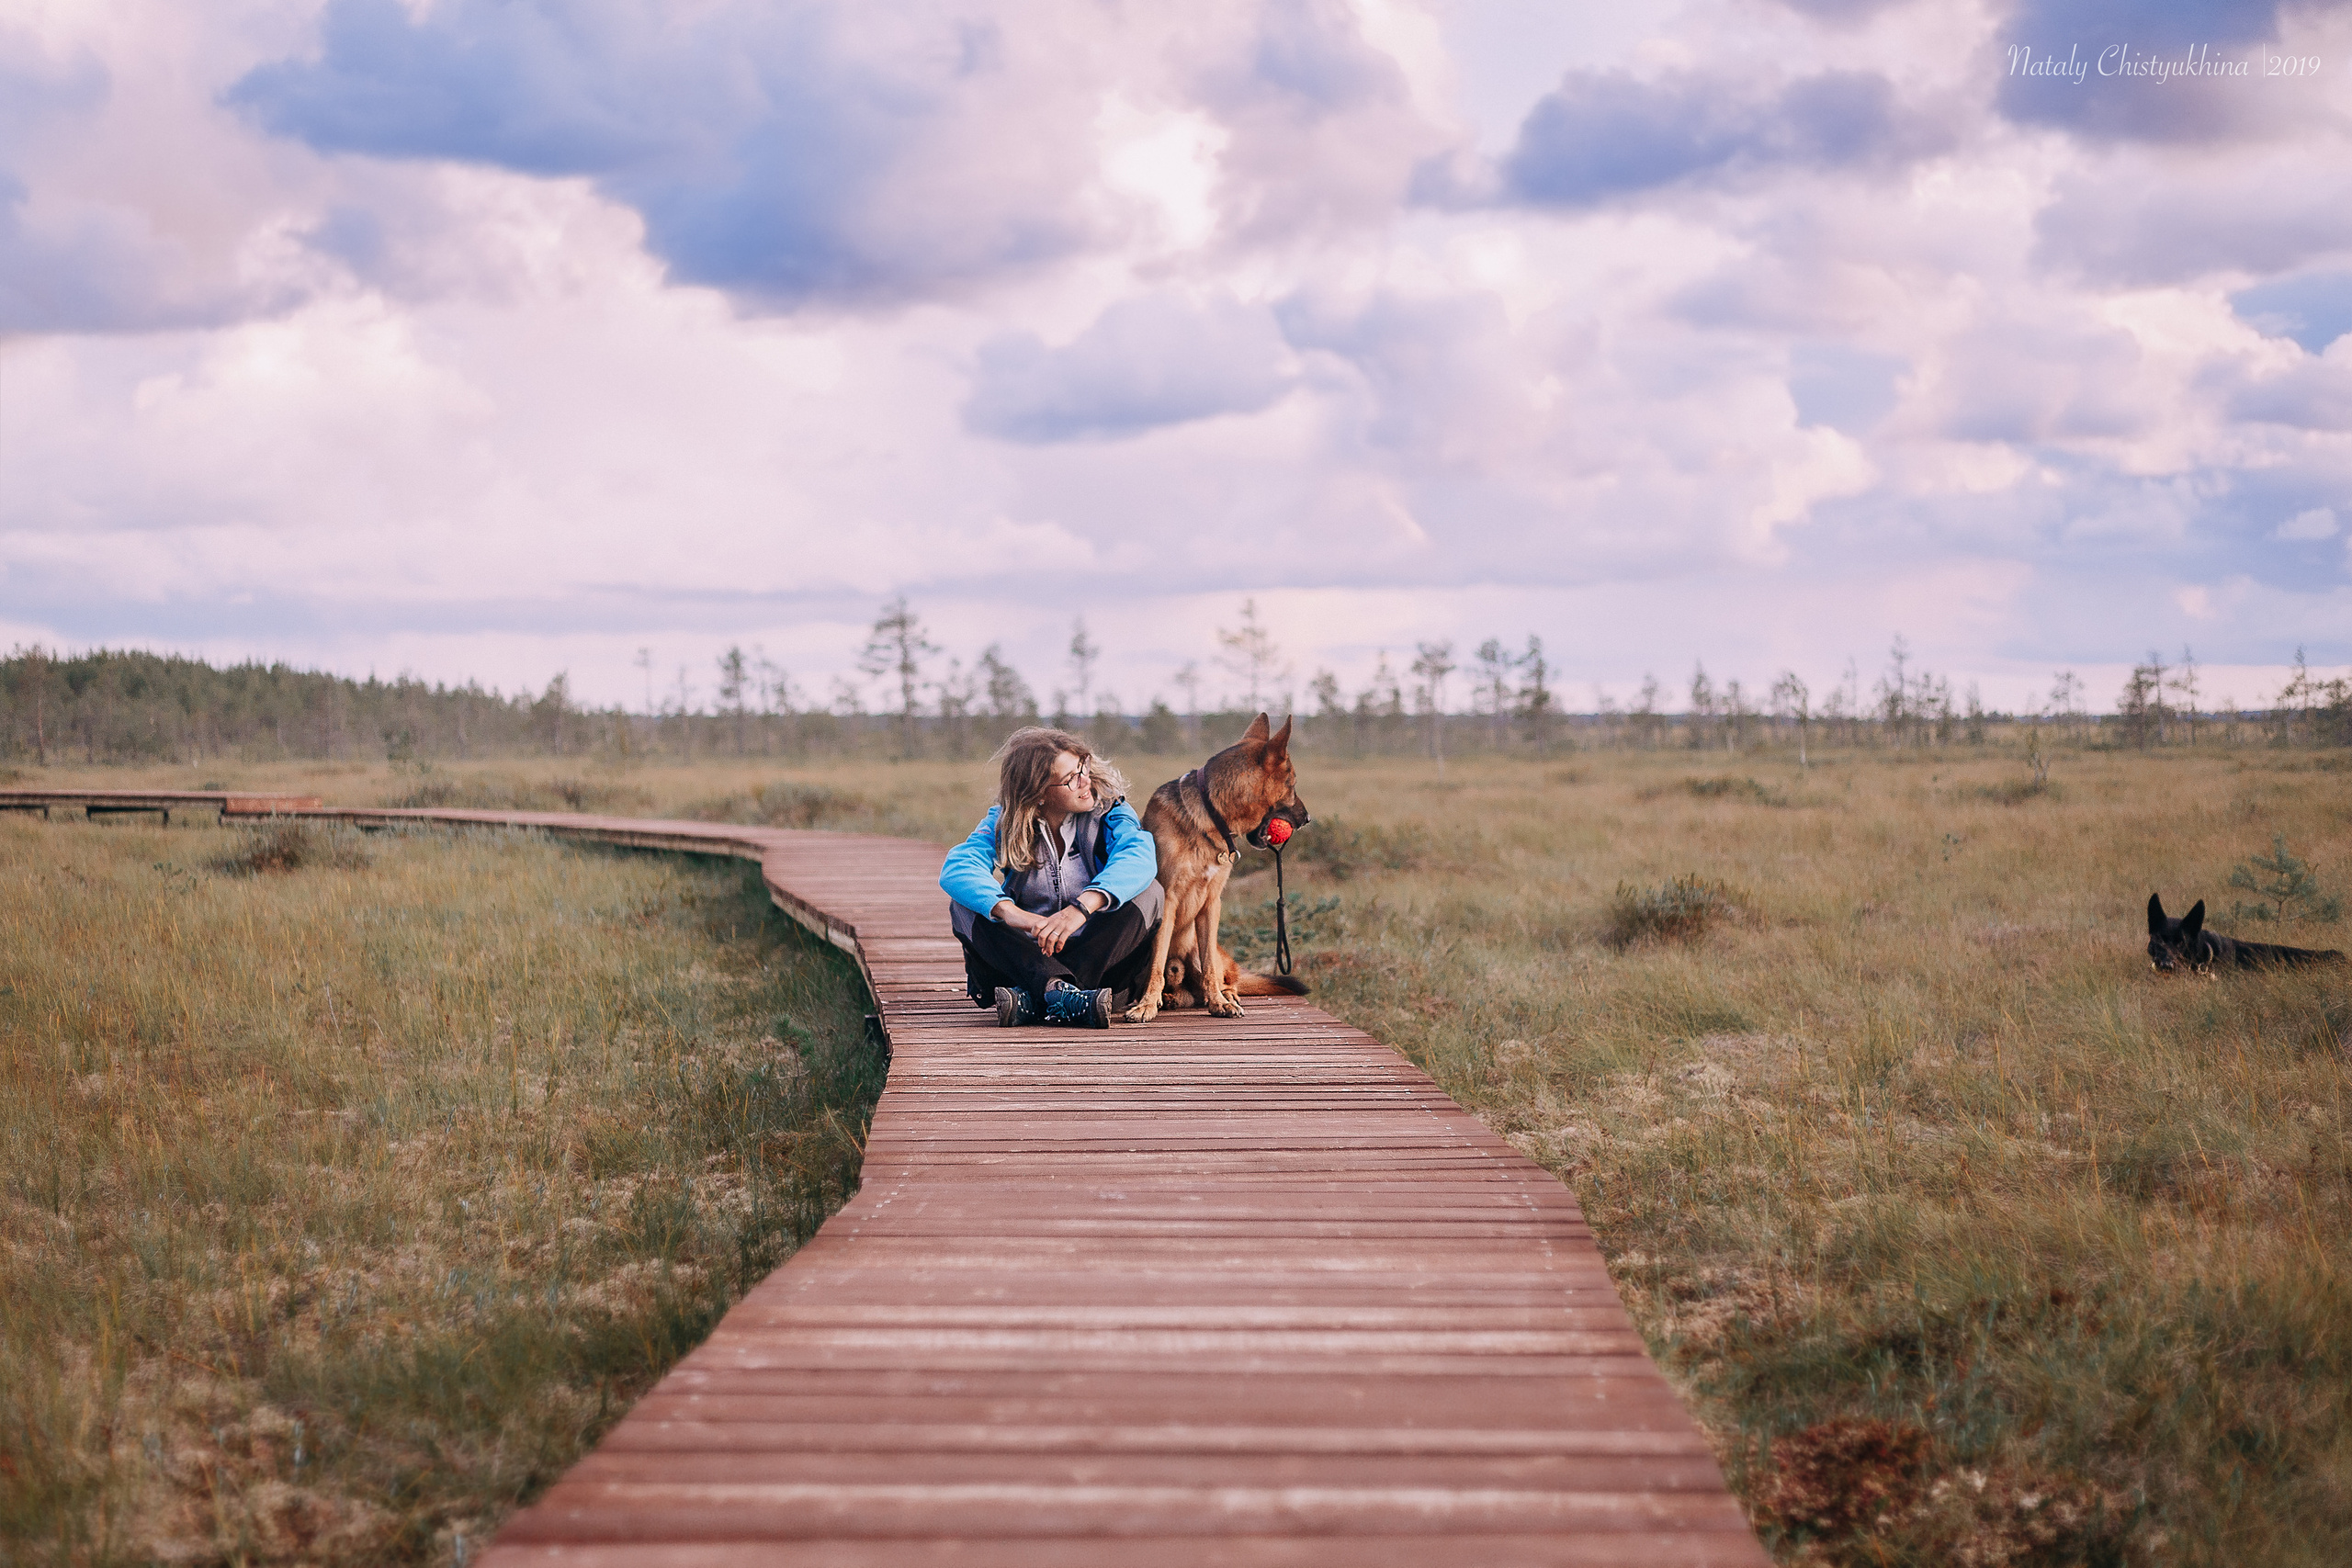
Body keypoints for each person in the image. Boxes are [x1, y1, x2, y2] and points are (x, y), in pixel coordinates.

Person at [941, 727, 1164, 1028]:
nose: (1085, 780)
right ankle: (1061, 996)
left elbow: (1139, 858)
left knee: (1150, 893)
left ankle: (1038, 997)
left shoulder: (1111, 812)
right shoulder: (1005, 822)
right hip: (1030, 953)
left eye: (1082, 767)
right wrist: (1014, 915)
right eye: (1071, 778)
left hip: (1100, 962)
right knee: (965, 904)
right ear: (1038, 793)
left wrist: (1081, 909)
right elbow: (959, 867)